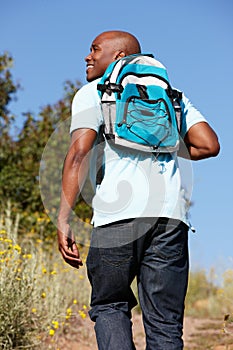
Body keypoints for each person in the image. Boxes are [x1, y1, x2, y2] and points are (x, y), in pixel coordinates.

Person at [57, 30, 220, 350]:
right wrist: (160, 143)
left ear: (118, 56)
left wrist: (64, 217)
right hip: (170, 218)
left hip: (118, 216)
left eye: (94, 49)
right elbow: (208, 145)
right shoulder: (173, 96)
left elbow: (78, 153)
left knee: (110, 305)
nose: (87, 56)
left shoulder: (93, 92)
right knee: (164, 321)